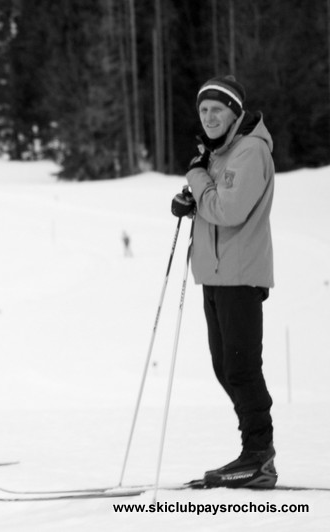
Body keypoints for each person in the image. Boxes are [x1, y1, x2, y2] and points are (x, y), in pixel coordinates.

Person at [171, 75, 276, 488]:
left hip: (240, 274)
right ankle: (255, 451)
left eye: (218, 109)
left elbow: (229, 210)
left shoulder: (249, 151)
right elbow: (210, 200)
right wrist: (190, 199)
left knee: (241, 367)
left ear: (235, 112)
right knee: (225, 366)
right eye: (203, 110)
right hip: (216, 275)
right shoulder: (219, 154)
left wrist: (197, 181)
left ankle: (258, 454)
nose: (210, 116)